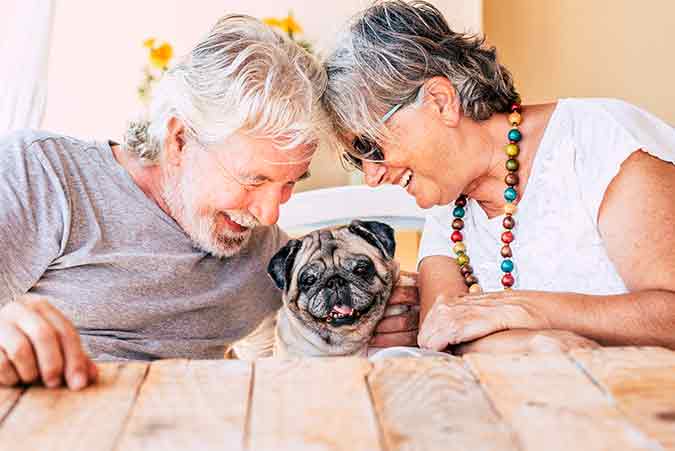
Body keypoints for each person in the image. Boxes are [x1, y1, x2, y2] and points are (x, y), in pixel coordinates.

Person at [0, 15, 418, 391]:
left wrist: (391, 321)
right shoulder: (42, 174)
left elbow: (288, 360)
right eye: (254, 180)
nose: (270, 213)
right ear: (179, 139)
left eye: (289, 182)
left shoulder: (270, 259)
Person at [322, 0, 675, 354]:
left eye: (371, 146)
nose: (371, 175)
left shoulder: (599, 140)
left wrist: (524, 310)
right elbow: (444, 336)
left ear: (441, 102)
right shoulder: (450, 209)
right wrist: (537, 342)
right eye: (358, 160)